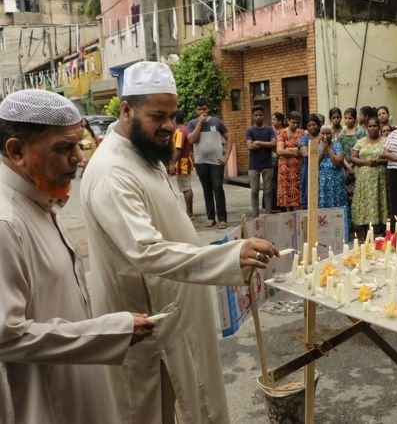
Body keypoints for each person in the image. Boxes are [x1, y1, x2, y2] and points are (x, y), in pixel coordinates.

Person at [80, 61, 278, 423]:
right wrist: (228, 257)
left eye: (173, 116)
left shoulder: (144, 153)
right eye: (158, 116)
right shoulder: (112, 171)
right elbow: (146, 249)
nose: (169, 126)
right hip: (147, 321)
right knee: (148, 410)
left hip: (177, 309)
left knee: (192, 402)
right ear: (126, 109)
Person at [0, 89, 155, 424]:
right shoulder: (6, 222)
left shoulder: (39, 199)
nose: (79, 158)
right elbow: (7, 336)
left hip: (77, 386)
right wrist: (108, 331)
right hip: (45, 401)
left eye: (79, 145)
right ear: (17, 151)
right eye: (63, 148)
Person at [188, 97, 231, 228]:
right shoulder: (193, 123)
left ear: (208, 108)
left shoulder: (216, 122)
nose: (202, 111)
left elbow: (229, 137)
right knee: (207, 190)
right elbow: (192, 140)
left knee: (218, 188)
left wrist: (226, 157)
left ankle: (222, 219)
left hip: (216, 162)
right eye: (199, 109)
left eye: (204, 109)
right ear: (196, 110)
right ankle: (211, 217)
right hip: (201, 162)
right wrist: (200, 124)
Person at [351, 117, 388, 237]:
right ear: (367, 128)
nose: (372, 128)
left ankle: (381, 230)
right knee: (365, 202)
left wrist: (380, 161)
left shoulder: (386, 141)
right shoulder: (361, 141)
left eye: (375, 126)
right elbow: (353, 157)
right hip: (364, 179)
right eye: (370, 126)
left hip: (379, 177)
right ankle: (364, 232)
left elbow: (390, 157)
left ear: (379, 127)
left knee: (379, 201)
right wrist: (366, 163)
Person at [246, 105, 276, 217]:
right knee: (254, 191)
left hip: (267, 164)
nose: (258, 117)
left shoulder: (269, 129)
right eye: (256, 115)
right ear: (253, 116)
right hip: (253, 165)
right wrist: (265, 144)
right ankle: (255, 215)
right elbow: (249, 146)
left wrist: (258, 142)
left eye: (260, 115)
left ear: (264, 116)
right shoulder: (250, 130)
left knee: (268, 191)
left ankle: (268, 213)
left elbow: (273, 143)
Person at [276, 111, 304, 211]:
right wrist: (296, 150)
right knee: (287, 194)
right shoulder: (282, 133)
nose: (295, 125)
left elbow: (304, 150)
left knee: (299, 193)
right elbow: (279, 151)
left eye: (297, 123)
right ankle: (289, 217)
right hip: (285, 170)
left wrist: (287, 149)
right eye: (293, 122)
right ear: (288, 121)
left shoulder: (302, 133)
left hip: (299, 169)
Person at [170, 110, 194, 219]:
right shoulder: (185, 129)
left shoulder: (180, 131)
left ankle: (189, 212)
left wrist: (172, 164)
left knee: (186, 187)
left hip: (182, 162)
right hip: (185, 160)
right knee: (186, 187)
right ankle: (189, 211)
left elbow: (179, 149)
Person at [318, 124, 348, 209]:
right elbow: (315, 163)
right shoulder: (317, 146)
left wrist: (328, 148)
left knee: (337, 201)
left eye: (328, 133)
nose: (325, 136)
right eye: (323, 133)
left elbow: (338, 162)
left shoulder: (337, 145)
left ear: (332, 134)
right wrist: (323, 149)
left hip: (336, 179)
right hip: (323, 180)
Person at [299, 114, 322, 209]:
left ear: (319, 125)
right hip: (308, 169)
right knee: (308, 193)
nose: (312, 127)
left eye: (314, 124)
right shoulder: (304, 138)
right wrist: (321, 153)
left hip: (323, 169)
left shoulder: (323, 136)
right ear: (307, 127)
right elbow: (305, 153)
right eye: (309, 125)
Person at [270, 111, 285, 212]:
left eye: (274, 119)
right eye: (272, 119)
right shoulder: (270, 131)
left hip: (283, 160)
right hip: (272, 161)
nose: (272, 121)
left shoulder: (284, 131)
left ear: (280, 121)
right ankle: (273, 205)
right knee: (272, 183)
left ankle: (282, 204)